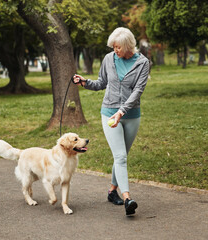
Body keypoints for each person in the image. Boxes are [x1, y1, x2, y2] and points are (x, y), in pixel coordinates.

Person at [73, 27, 150, 215]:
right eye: (113, 47)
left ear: (127, 45)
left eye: (117, 47)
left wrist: (122, 112)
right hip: (109, 113)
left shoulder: (143, 63)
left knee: (121, 155)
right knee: (121, 157)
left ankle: (111, 191)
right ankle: (127, 198)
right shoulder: (109, 59)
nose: (114, 51)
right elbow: (102, 82)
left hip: (131, 116)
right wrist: (85, 82)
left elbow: (137, 91)